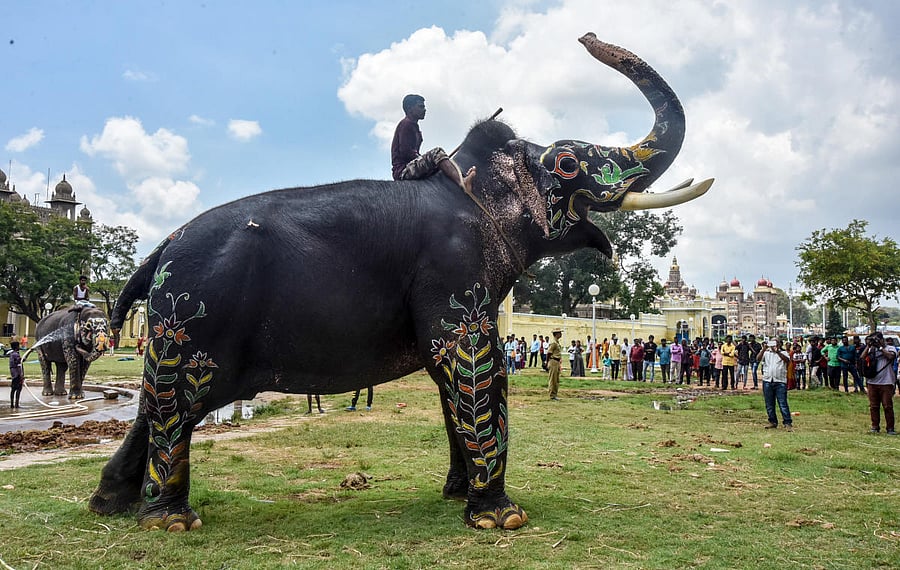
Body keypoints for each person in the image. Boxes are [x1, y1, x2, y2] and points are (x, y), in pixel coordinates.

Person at [391, 94, 476, 191]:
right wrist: (427, 160)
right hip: (403, 171)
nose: (424, 109)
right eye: (421, 107)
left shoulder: (414, 127)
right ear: (410, 108)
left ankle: (463, 176)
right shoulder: (406, 124)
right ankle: (462, 182)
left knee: (443, 163)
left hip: (410, 166)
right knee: (437, 153)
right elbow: (406, 152)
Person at [861, 332, 896, 434]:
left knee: (887, 406)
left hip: (886, 382)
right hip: (872, 382)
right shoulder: (871, 349)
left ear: (882, 339)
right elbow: (862, 358)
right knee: (873, 406)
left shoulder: (890, 348)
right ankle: (875, 427)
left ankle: (890, 428)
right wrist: (868, 346)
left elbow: (890, 357)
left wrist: (880, 347)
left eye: (876, 339)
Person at [758, 339, 793, 430]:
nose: (773, 345)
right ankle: (772, 421)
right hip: (768, 380)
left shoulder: (784, 353)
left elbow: (787, 361)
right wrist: (763, 349)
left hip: (780, 381)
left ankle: (787, 422)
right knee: (769, 403)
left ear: (779, 344)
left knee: (782, 403)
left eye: (775, 343)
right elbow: (758, 359)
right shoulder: (766, 353)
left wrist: (777, 352)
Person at [547, 329, 563, 400]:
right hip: (553, 361)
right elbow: (549, 353)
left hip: (556, 362)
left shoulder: (557, 342)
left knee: (556, 379)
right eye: (559, 333)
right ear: (556, 334)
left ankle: (555, 394)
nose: (561, 334)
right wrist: (547, 361)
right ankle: (552, 395)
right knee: (553, 379)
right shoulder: (553, 343)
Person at [8, 340, 23, 409]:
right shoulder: (16, 354)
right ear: (16, 347)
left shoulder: (12, 354)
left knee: (13, 389)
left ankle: (12, 404)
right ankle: (16, 404)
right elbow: (19, 363)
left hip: (13, 375)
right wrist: (21, 375)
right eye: (18, 346)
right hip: (17, 374)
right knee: (18, 389)